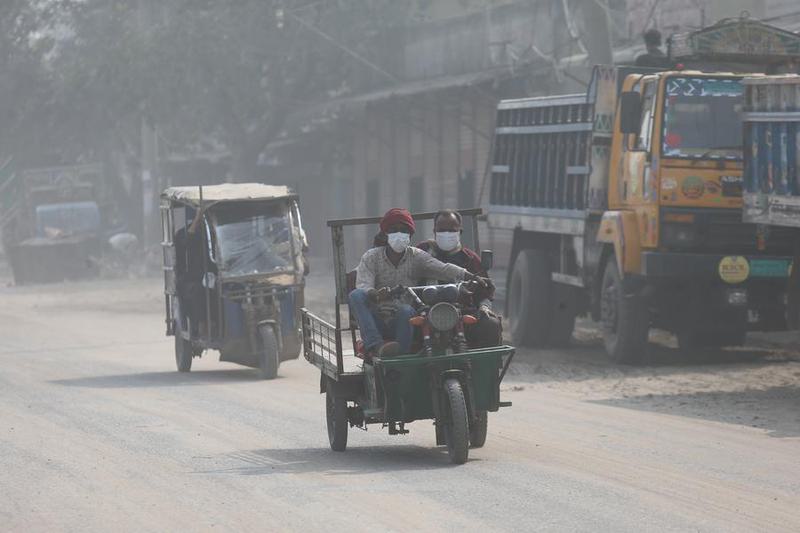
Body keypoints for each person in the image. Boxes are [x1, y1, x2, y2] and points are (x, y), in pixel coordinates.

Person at [349, 208, 484, 359]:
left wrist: (471, 276)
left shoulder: (417, 256)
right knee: (356, 295)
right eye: (394, 230)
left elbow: (443, 268)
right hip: (375, 320)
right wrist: (376, 294)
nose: (399, 234)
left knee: (406, 310)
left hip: (403, 320)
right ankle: (376, 346)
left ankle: (399, 353)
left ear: (410, 235)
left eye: (403, 230)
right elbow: (363, 286)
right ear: (386, 233)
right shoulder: (371, 257)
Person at [417, 209, 502, 348]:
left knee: (490, 324)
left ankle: (483, 367)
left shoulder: (470, 258)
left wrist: (484, 307)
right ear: (434, 231)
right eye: (442, 230)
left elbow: (486, 290)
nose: (446, 234)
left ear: (460, 232)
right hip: (425, 313)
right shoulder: (422, 251)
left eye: (451, 230)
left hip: (463, 313)